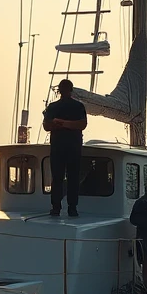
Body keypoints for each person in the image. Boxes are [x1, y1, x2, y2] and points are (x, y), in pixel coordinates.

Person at [42, 79, 87, 217]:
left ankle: (56, 207)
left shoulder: (53, 107)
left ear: (59, 90)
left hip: (58, 146)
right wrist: (67, 124)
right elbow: (82, 125)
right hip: (73, 146)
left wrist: (60, 124)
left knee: (57, 178)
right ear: (71, 89)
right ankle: (72, 208)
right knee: (72, 178)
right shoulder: (78, 106)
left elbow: (47, 126)